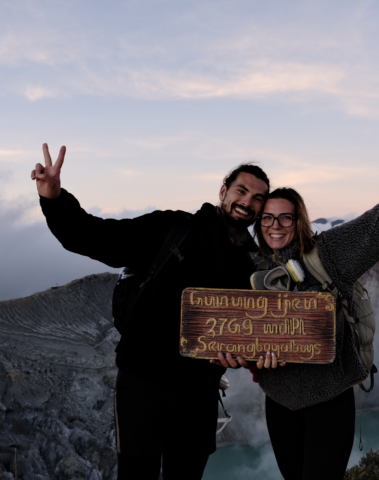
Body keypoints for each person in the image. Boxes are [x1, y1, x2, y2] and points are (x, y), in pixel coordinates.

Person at [217, 136, 379, 480]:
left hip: (330, 400)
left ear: (300, 221)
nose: (275, 226)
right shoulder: (251, 268)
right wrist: (247, 359)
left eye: (286, 218)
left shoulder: (328, 253)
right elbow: (238, 332)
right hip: (278, 402)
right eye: (267, 218)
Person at [31, 144, 269, 480]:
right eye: (241, 191)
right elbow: (97, 237)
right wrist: (55, 199)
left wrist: (241, 358)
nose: (247, 202)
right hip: (143, 384)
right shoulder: (172, 228)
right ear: (223, 192)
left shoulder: (249, 268)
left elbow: (242, 338)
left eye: (258, 197)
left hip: (200, 397)